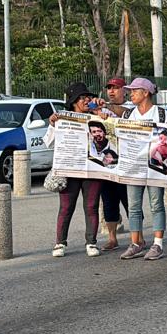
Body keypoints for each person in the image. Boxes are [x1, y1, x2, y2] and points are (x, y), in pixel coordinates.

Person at [117, 78, 167, 262]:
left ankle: (158, 244)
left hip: (155, 167)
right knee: (133, 206)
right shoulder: (128, 116)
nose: (130, 94)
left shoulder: (161, 114)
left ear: (146, 93)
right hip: (133, 166)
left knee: (156, 204)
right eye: (130, 91)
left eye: (134, 91)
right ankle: (136, 243)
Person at [47, 82, 103, 258]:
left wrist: (101, 110)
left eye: (88, 97)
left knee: (92, 206)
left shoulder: (97, 117)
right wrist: (53, 125)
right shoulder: (63, 119)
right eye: (83, 98)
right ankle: (60, 243)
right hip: (70, 169)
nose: (87, 100)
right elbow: (48, 142)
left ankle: (91, 242)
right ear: (74, 101)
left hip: (92, 169)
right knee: (66, 207)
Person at [97, 77, 130, 250]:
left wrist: (106, 109)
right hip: (107, 163)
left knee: (130, 201)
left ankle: (137, 237)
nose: (111, 91)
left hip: (126, 163)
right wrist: (95, 107)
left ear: (125, 90)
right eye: (109, 88)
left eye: (116, 88)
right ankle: (112, 238)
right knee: (108, 201)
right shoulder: (101, 108)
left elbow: (124, 114)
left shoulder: (132, 108)